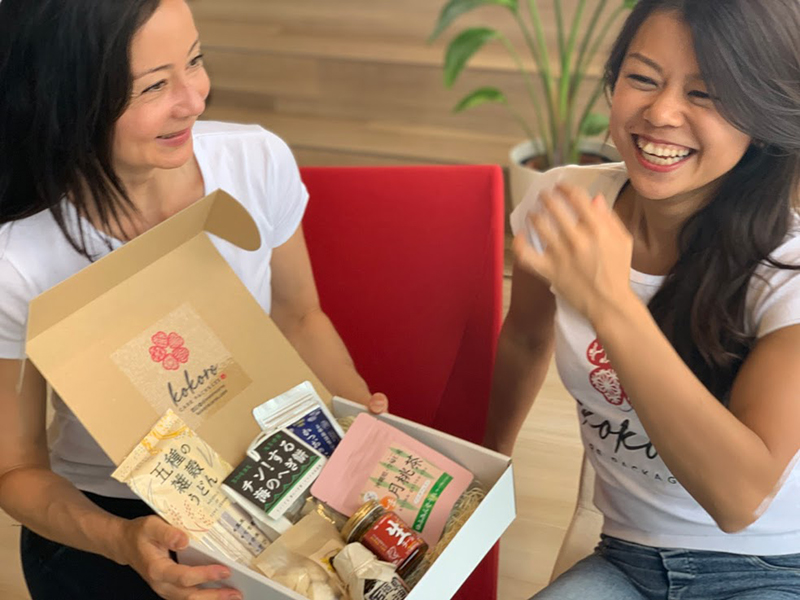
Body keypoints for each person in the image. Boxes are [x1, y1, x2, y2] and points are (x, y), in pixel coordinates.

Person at [0, 1, 388, 599]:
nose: (195, 100)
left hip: (268, 467)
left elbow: (298, 317)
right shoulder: (18, 255)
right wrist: (120, 540)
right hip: (105, 515)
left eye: (195, 61)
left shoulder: (255, 162)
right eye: (154, 86)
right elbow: (16, 469)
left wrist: (359, 439)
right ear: (65, 100)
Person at [486, 0, 800, 598]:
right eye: (642, 78)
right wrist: (488, 465)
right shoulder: (564, 205)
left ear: (760, 116)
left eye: (705, 94)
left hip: (774, 566)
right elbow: (525, 337)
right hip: (626, 557)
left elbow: (740, 500)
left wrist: (610, 303)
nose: (661, 113)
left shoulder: (788, 273)